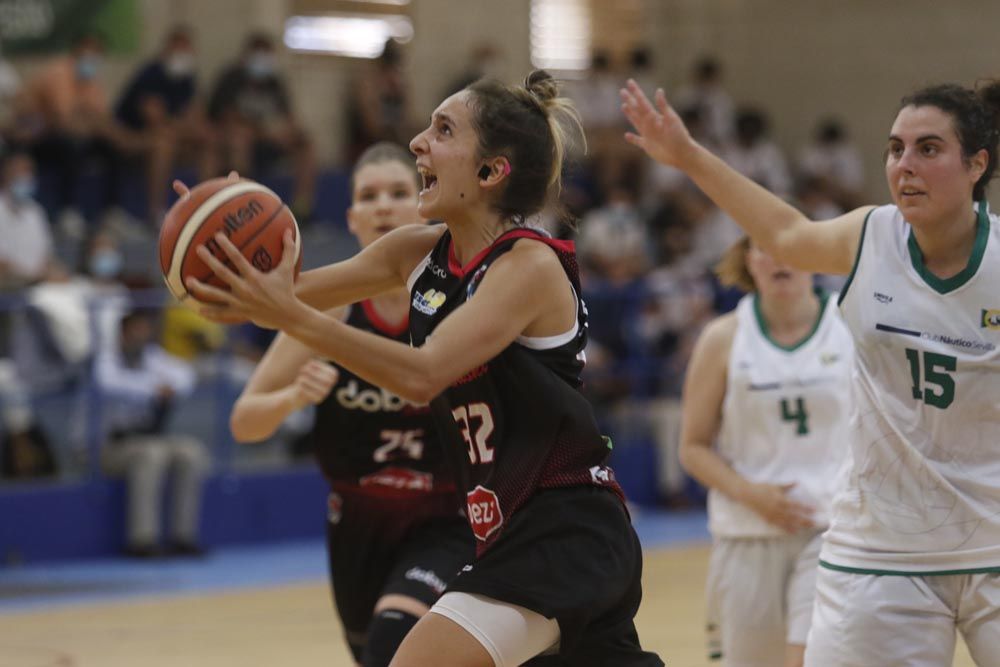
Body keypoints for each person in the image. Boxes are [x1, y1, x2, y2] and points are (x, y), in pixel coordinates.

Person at [184, 71, 662, 666]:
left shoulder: (527, 265)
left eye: (443, 130)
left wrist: (289, 312)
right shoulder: (413, 253)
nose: (417, 142)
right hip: (506, 532)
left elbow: (421, 373)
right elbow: (273, 297)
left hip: (565, 528)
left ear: (491, 173)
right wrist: (222, 245)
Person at [622, 78, 1000, 666]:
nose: (905, 165)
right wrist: (687, 155)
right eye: (896, 148)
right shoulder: (871, 235)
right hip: (881, 548)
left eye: (929, 149)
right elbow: (786, 235)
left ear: (977, 164)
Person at [229, 142, 472, 667]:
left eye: (398, 192)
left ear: (423, 207)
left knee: (397, 640)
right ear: (352, 218)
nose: (383, 205)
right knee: (373, 655)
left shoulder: (458, 305)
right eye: (368, 195)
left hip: (446, 513)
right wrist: (295, 396)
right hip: (358, 517)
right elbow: (245, 422)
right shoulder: (329, 312)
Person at [679, 236, 853, 667]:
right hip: (747, 533)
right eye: (764, 246)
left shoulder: (851, 323)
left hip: (833, 531)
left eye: (791, 244)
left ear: (814, 256)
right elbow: (693, 447)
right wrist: (751, 493)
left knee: (813, 659)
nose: (779, 257)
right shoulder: (722, 338)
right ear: (749, 262)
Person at [95, 308, 210, 557]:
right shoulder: (105, 359)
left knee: (191, 452)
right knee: (152, 454)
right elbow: (110, 383)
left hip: (147, 440)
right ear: (123, 334)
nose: (143, 335)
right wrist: (154, 389)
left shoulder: (151, 356)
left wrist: (170, 387)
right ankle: (142, 540)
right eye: (137, 330)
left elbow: (185, 376)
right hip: (107, 447)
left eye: (146, 330)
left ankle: (183, 536)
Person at [114, 25, 216, 226]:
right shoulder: (150, 75)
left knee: (207, 140)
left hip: (173, 135)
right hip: (133, 138)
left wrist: (193, 128)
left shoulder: (187, 78)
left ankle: (207, 206)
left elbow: (195, 115)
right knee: (163, 144)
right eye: (179, 50)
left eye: (187, 50)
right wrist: (184, 127)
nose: (183, 55)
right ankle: (156, 212)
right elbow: (155, 120)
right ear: (167, 50)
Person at [207, 32, 315, 220]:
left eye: (267, 54)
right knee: (240, 138)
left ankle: (301, 209)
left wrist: (290, 133)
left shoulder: (274, 83)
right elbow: (227, 118)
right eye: (258, 53)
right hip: (237, 143)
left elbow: (290, 119)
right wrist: (264, 130)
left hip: (270, 142)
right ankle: (239, 207)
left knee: (305, 145)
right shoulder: (232, 79)